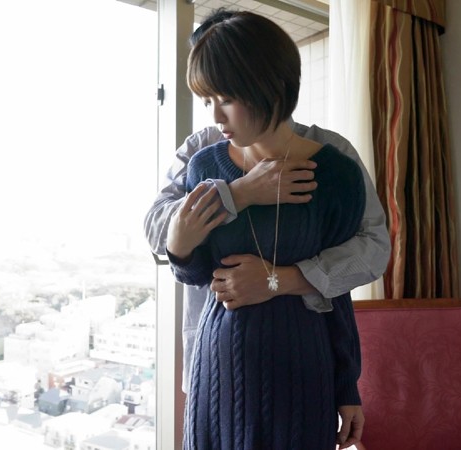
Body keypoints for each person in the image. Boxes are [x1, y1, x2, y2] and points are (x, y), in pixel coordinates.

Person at [159, 10, 372, 450]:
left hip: (301, 372)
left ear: (268, 85)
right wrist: (179, 247)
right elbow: (195, 271)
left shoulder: (336, 174)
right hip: (216, 371)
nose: (215, 115)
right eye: (207, 99)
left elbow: (339, 291)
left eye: (226, 97)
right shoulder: (204, 165)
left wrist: (347, 385)